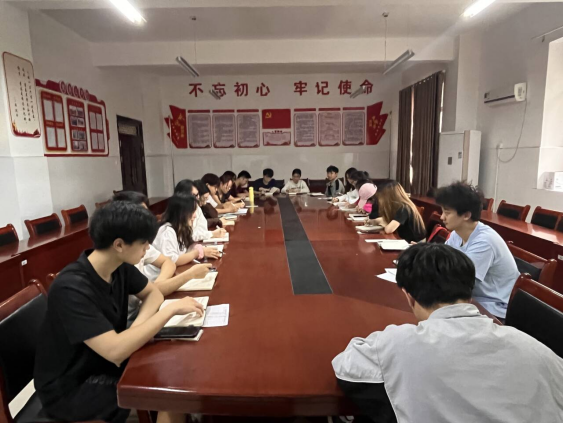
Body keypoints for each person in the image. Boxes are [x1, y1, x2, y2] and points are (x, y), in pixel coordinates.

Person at [333, 243, 563, 423]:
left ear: (409, 297)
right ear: (470, 292)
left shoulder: (399, 343)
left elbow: (346, 366)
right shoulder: (535, 348)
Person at [34, 202, 203, 423]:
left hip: (104, 364)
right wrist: (169, 311)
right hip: (72, 387)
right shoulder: (71, 287)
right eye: (143, 243)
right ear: (119, 245)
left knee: (175, 370)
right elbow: (116, 352)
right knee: (168, 395)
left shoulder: (119, 266)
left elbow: (153, 294)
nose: (147, 248)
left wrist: (136, 331)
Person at [111, 191, 212, 321]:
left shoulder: (137, 247)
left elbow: (167, 263)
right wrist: (190, 274)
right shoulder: (124, 259)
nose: (148, 247)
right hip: (131, 319)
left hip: (141, 312)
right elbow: (124, 334)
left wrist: (158, 286)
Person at [436, 182, 520, 319]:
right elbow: (442, 260)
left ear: (466, 215)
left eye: (447, 212)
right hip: (470, 299)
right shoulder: (457, 233)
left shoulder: (485, 241)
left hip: (492, 307)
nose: (442, 217)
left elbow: (460, 282)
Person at [147, 194, 221, 280]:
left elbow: (184, 250)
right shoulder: (167, 231)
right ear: (182, 213)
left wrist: (199, 249)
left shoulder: (182, 228)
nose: (195, 216)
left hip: (173, 274)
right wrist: (197, 252)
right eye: (192, 212)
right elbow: (173, 260)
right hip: (157, 279)